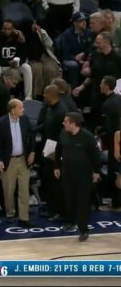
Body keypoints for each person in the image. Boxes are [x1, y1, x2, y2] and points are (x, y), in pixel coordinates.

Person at [54, 112, 101, 242]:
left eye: (65, 122)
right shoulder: (63, 133)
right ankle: (70, 223)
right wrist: (57, 166)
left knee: (83, 202)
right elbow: (58, 150)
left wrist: (96, 171)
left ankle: (83, 229)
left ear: (73, 124)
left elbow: (95, 155)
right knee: (69, 200)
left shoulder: (88, 137)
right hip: (67, 173)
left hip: (83, 175)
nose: (63, 123)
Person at [0, 99, 36, 226]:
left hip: (23, 159)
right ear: (13, 110)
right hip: (8, 160)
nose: (23, 110)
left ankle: (24, 217)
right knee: (9, 189)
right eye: (21, 108)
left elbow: (32, 136)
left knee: (24, 190)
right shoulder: (1, 123)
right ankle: (10, 213)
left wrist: (32, 152)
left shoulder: (25, 119)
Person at [36, 84, 68, 220]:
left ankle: (57, 211)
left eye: (45, 94)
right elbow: (46, 125)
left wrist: (58, 154)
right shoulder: (50, 108)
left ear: (51, 95)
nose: (44, 96)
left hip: (56, 149)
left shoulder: (61, 111)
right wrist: (33, 129)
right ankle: (51, 208)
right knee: (47, 178)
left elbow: (63, 135)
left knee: (55, 180)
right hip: (48, 146)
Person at [0, 19, 33, 100]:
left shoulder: (19, 38)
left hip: (15, 66)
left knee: (27, 67)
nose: (6, 31)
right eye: (4, 29)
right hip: (2, 66)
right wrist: (8, 63)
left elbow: (23, 56)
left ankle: (28, 97)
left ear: (13, 29)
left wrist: (18, 63)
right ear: (2, 29)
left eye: (9, 29)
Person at [99, 75, 121, 210]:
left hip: (115, 144)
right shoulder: (119, 99)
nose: (100, 86)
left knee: (114, 172)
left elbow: (108, 129)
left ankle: (116, 204)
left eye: (101, 83)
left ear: (106, 86)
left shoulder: (107, 104)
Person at [26, 21, 61, 99]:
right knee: (37, 69)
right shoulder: (24, 34)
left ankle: (51, 95)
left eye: (36, 24)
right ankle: (37, 96)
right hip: (32, 60)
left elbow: (50, 44)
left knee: (50, 69)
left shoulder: (42, 32)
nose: (34, 26)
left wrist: (41, 33)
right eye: (33, 24)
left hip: (46, 57)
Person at [59, 11, 92, 88]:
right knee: (74, 65)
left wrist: (86, 57)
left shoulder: (88, 32)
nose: (84, 23)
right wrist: (76, 60)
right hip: (68, 59)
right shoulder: (67, 35)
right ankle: (74, 87)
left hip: (84, 59)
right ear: (74, 23)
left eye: (84, 20)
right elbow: (65, 54)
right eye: (81, 21)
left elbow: (91, 48)